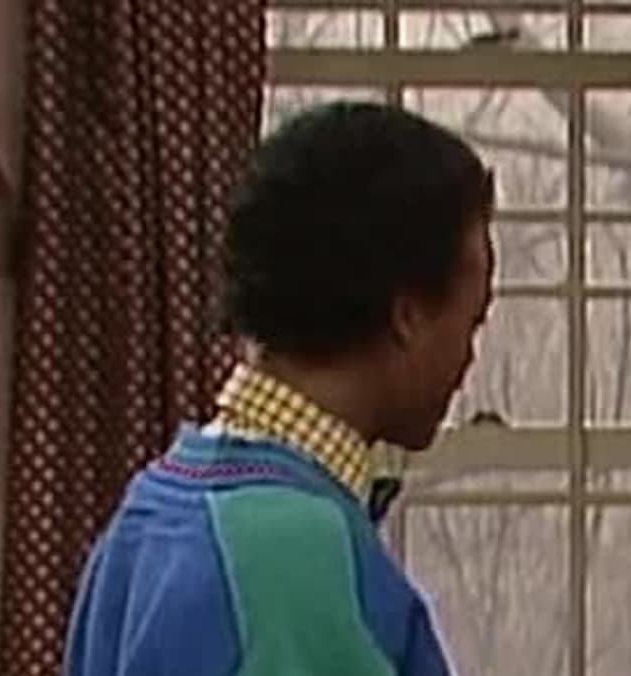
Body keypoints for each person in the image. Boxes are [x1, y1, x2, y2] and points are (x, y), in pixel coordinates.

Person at [63, 101, 494, 676]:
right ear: (408, 316)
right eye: (471, 323)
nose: (469, 358)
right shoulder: (289, 557)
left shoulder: (149, 510)